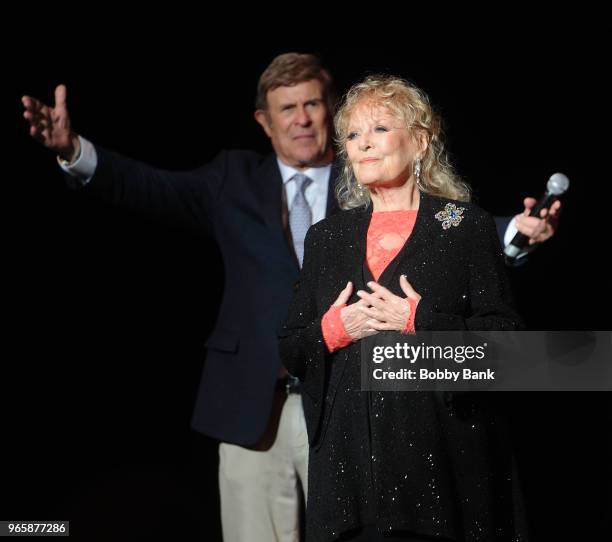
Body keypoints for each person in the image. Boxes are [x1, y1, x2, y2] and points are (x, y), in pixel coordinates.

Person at [22, 56, 548, 541]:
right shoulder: (252, 189)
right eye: (287, 108)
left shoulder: (412, 199)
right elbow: (151, 187)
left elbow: (455, 240)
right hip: (267, 407)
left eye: (313, 104)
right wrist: (74, 151)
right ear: (264, 122)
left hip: (411, 427)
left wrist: (513, 236)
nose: (303, 120)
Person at [279, 75, 528, 542]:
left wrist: (417, 321)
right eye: (353, 135)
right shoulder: (327, 237)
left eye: (379, 129)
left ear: (419, 142)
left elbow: (507, 351)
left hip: (443, 470)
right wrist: (336, 327)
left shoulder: (460, 223)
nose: (364, 145)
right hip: (347, 475)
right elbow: (291, 347)